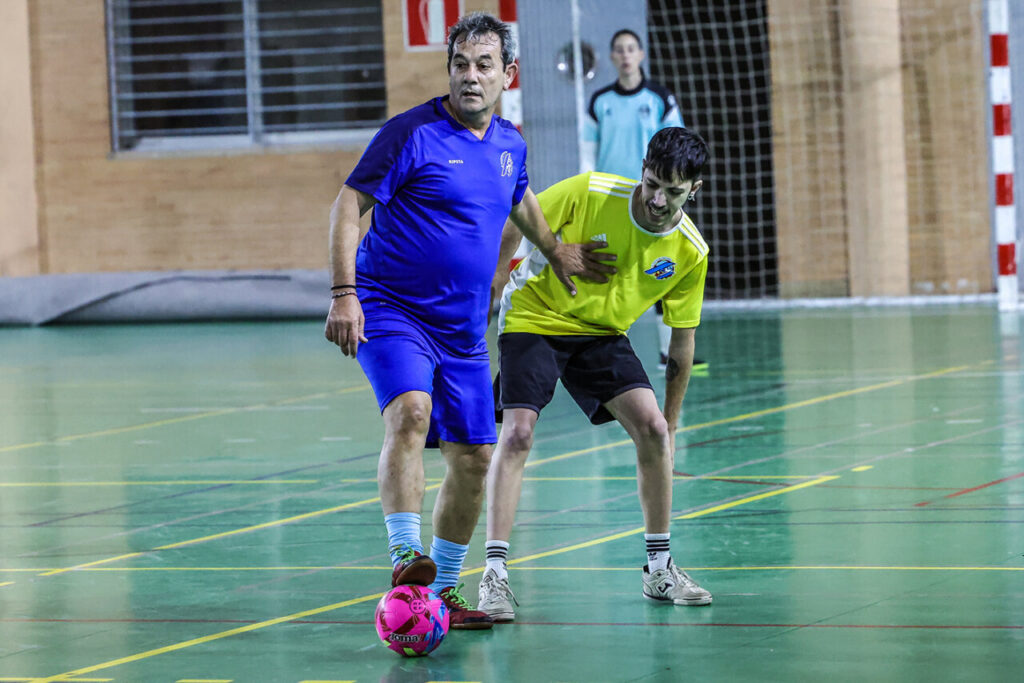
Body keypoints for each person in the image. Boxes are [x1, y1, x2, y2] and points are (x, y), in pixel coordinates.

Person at [324, 12, 615, 630]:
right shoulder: (410, 134)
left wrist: (554, 247)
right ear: (448, 71)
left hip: (462, 332)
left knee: (476, 458)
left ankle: (445, 593)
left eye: (484, 65)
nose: (470, 77)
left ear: (507, 74)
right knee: (411, 413)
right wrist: (344, 292)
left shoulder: (510, 143)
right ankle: (406, 556)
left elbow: (520, 195)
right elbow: (348, 205)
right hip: (390, 307)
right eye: (460, 64)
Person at [478, 127, 713, 622]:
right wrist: (496, 286)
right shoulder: (591, 191)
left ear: (694, 190)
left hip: (602, 334)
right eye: (652, 183)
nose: (657, 199)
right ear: (643, 169)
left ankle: (659, 568)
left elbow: (682, 342)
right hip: (536, 317)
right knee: (518, 433)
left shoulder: (690, 251)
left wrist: (671, 422)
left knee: (651, 430)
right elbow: (518, 218)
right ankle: (494, 575)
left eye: (672, 192)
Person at [581, 28, 707, 373]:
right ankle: (594, 350)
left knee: (663, 273)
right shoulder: (600, 101)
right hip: (616, 204)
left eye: (631, 49)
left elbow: (679, 146)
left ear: (641, 55)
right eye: (618, 50)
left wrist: (666, 187)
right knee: (608, 273)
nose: (625, 55)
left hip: (656, 201)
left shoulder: (658, 98)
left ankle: (670, 351)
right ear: (612, 58)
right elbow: (588, 154)